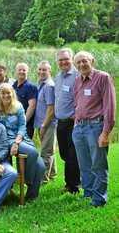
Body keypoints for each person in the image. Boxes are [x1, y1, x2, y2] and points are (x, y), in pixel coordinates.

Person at [72, 51, 116, 207]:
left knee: (98, 164)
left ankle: (98, 199)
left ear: (92, 61)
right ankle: (88, 193)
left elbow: (109, 106)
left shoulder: (103, 77)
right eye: (78, 63)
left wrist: (105, 132)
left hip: (95, 127)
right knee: (84, 165)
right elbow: (77, 103)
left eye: (84, 61)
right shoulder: (77, 80)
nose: (82, 65)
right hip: (79, 128)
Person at [0, 83, 45, 200]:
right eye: (3, 93)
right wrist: (12, 143)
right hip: (5, 140)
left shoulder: (18, 106)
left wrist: (17, 142)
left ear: (12, 93)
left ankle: (31, 196)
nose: (6, 95)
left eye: (8, 93)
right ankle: (27, 180)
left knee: (41, 167)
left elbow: (22, 125)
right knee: (32, 152)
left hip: (21, 137)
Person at [54, 48, 80, 194]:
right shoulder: (58, 77)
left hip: (72, 122)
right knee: (64, 153)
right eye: (61, 60)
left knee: (72, 155)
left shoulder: (77, 76)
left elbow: (82, 99)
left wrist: (76, 114)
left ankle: (73, 185)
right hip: (60, 122)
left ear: (72, 59)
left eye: (66, 59)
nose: (63, 62)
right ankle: (71, 182)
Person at [34, 61, 57, 183]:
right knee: (48, 149)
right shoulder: (41, 84)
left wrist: (44, 125)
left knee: (45, 152)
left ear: (50, 71)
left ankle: (43, 179)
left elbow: (51, 108)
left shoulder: (49, 86)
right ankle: (52, 174)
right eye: (40, 69)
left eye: (44, 70)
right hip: (41, 123)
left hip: (48, 124)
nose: (42, 72)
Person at [13, 63, 37, 139]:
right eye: (19, 70)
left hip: (26, 125)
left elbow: (32, 106)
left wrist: (23, 123)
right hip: (13, 124)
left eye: (24, 70)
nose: (21, 72)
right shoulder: (13, 86)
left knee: (24, 148)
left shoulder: (31, 87)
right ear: (16, 72)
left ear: (27, 72)